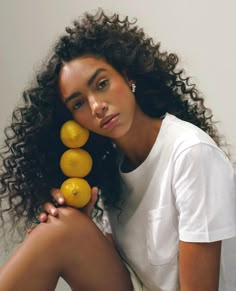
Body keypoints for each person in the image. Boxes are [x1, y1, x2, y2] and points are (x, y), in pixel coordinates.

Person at [0, 9, 236, 291]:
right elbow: (127, 271)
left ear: (127, 77)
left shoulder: (191, 154)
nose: (96, 106)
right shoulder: (113, 168)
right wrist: (81, 228)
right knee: (60, 227)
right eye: (78, 104)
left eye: (102, 85)